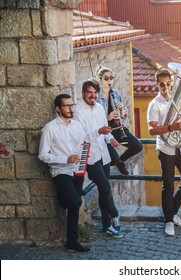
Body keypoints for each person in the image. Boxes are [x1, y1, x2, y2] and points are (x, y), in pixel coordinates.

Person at [38, 94, 90, 252]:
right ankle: (72, 241)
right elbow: (42, 155)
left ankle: (72, 242)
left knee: (71, 204)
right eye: (67, 106)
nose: (71, 109)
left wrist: (82, 164)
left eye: (72, 105)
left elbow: (84, 144)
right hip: (60, 170)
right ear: (58, 108)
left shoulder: (77, 125)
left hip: (77, 170)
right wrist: (65, 159)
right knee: (75, 202)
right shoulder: (49, 128)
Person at [74, 78, 124, 239]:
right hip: (89, 156)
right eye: (89, 92)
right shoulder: (78, 112)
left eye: (95, 92)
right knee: (105, 187)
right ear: (83, 93)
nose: (92, 95)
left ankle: (107, 225)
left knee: (104, 190)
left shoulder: (100, 107)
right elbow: (80, 137)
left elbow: (106, 131)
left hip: (104, 154)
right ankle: (115, 214)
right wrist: (99, 132)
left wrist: (111, 139)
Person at [147, 68, 181, 236]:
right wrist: (171, 127)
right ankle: (168, 221)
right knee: (168, 185)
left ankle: (171, 213)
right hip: (165, 148)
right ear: (157, 85)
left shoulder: (178, 99)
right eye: (162, 85)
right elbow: (152, 130)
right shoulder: (154, 104)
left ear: (171, 83)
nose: (165, 87)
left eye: (168, 84)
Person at [96, 66, 143, 175]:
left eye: (111, 78)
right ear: (100, 80)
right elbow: (95, 118)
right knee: (109, 160)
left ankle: (120, 162)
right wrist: (108, 117)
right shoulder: (97, 96)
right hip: (104, 131)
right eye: (106, 78)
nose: (109, 81)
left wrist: (122, 110)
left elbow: (124, 112)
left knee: (137, 146)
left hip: (117, 127)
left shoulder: (115, 93)